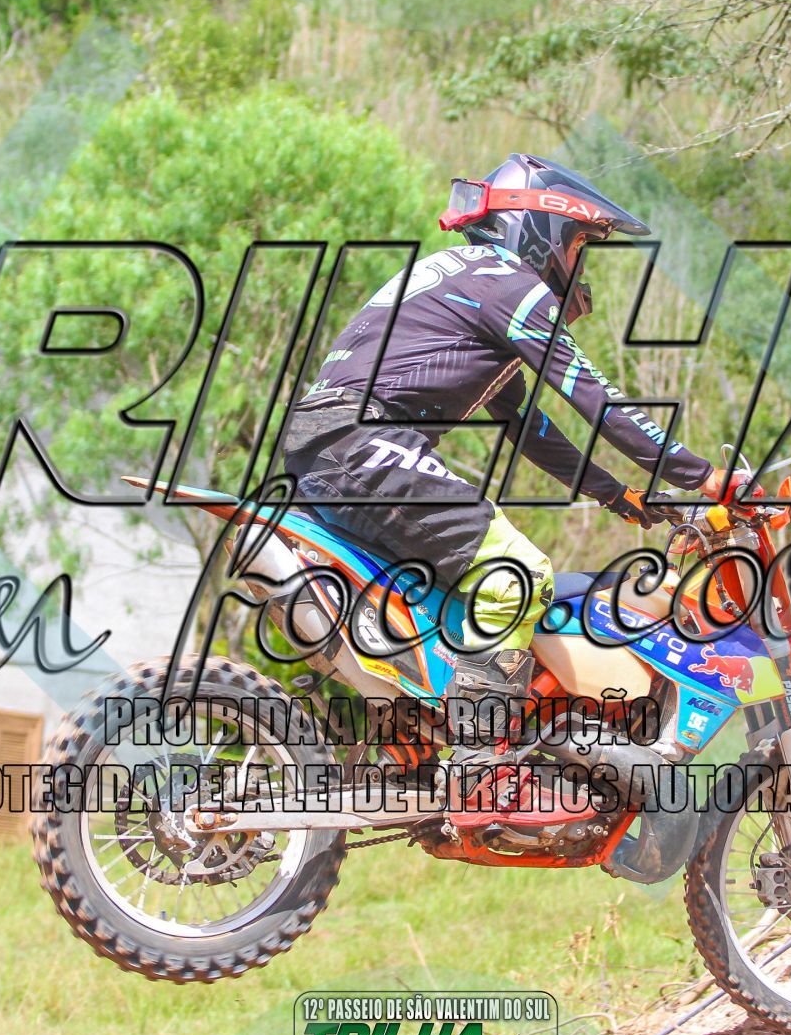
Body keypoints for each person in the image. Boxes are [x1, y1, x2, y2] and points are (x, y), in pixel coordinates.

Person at [281, 153, 734, 726]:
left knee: (450, 598)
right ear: (543, 230)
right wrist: (703, 477)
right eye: (579, 245)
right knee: (518, 573)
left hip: (328, 446)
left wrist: (617, 494)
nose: (579, 267)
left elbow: (526, 424)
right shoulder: (509, 285)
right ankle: (479, 752)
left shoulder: (468, 277)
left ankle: (427, 739)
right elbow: (594, 397)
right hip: (362, 441)